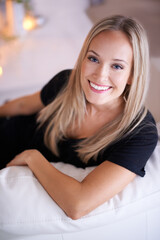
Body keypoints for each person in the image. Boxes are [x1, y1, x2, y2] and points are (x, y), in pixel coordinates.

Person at [0, 15, 158, 220]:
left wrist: (32, 158)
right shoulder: (67, 81)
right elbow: (21, 105)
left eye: (117, 66)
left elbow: (78, 205)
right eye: (93, 59)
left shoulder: (140, 134)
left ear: (132, 75)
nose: (100, 75)